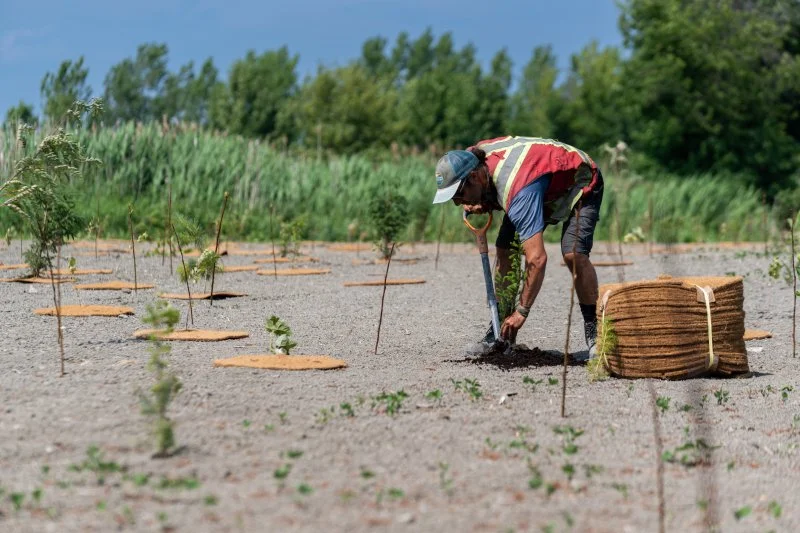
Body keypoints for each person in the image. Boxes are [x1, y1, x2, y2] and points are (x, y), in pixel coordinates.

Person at [432, 136, 604, 359]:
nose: (458, 203)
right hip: (537, 182)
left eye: (458, 194)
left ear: (474, 177)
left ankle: (594, 332)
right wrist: (485, 199)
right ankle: (499, 330)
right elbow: (490, 185)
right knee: (505, 249)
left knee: (574, 254)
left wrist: (522, 311)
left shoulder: (517, 189)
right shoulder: (468, 160)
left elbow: (537, 259)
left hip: (580, 180)